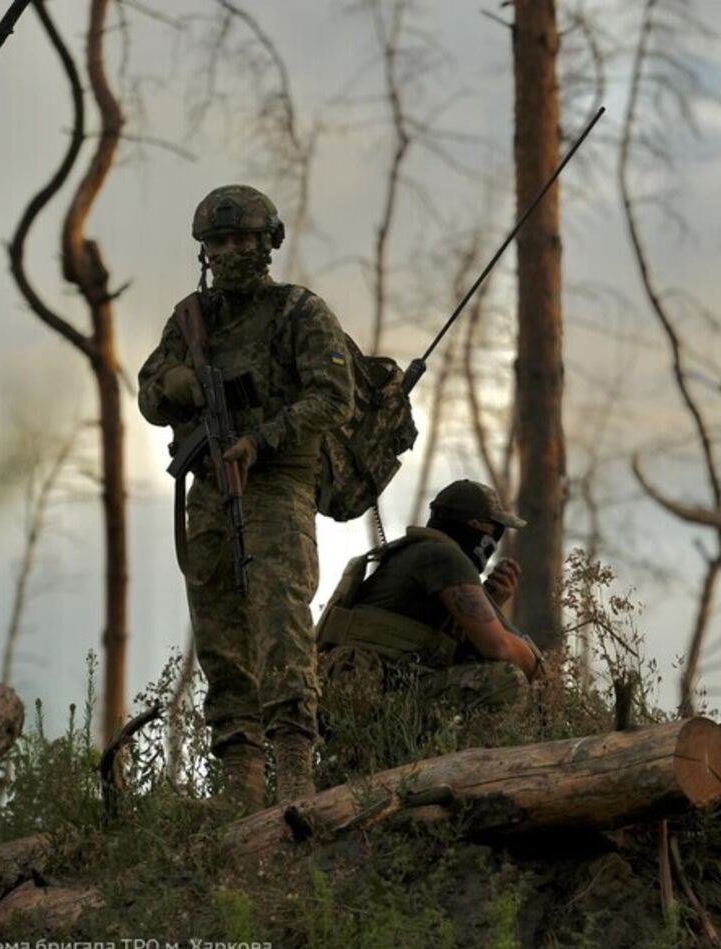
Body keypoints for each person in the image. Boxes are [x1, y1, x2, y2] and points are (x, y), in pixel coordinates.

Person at [138, 185, 354, 810]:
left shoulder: (298, 313)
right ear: (204, 250)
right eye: (220, 242)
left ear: (268, 244)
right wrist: (174, 387)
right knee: (219, 628)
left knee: (281, 622)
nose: (232, 252)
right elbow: (149, 394)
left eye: (244, 240)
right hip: (210, 487)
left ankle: (294, 773)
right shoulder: (190, 322)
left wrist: (263, 438)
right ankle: (240, 782)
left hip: (278, 483)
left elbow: (333, 396)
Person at [318, 479, 542, 720]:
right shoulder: (445, 556)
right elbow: (498, 647)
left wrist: (492, 602)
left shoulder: (413, 552)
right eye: (495, 531)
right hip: (373, 691)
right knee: (506, 682)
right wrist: (540, 669)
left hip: (357, 693)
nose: (495, 541)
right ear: (474, 525)